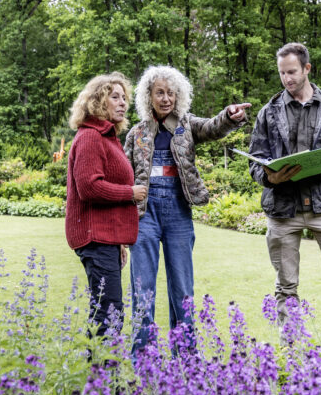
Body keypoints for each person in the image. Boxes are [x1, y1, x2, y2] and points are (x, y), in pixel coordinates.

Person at [125, 65, 250, 354]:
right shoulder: (136, 133)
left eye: (171, 93)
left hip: (178, 211)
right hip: (143, 214)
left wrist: (229, 116)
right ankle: (143, 358)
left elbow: (213, 127)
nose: (166, 98)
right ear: (149, 96)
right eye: (160, 92)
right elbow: (123, 174)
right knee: (142, 287)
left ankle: (187, 357)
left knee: (182, 287)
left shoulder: (187, 125)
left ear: (178, 96)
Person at [247, 42, 321, 333]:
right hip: (283, 209)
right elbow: (255, 161)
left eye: (292, 72)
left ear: (307, 68)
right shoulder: (268, 112)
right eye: (282, 73)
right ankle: (292, 350)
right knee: (286, 288)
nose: (287, 78)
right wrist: (270, 178)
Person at [65, 72, 148, 338]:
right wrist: (130, 193)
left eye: (124, 98)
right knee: (108, 314)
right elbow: (89, 187)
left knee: (107, 311)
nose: (123, 103)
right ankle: (101, 365)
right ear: (98, 102)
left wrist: (118, 243)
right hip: (95, 239)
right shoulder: (90, 137)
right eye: (115, 97)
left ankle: (101, 364)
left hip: (106, 240)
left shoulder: (106, 137)